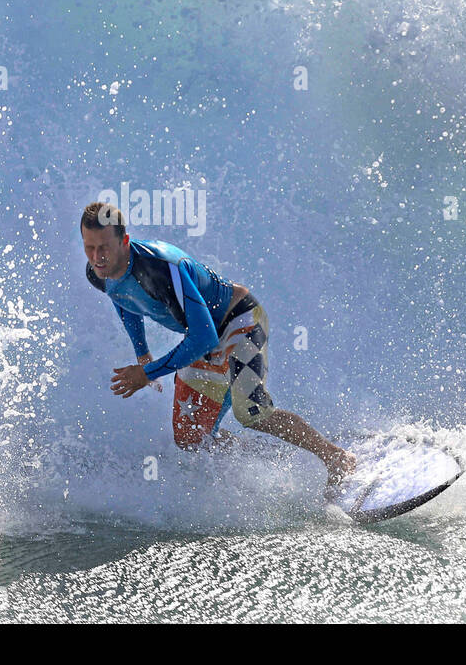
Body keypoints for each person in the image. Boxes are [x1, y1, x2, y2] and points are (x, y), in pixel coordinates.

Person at [80, 201, 356, 497]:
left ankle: (337, 458)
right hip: (202, 337)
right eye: (89, 247)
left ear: (125, 241)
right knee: (190, 436)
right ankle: (267, 456)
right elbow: (123, 298)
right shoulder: (99, 271)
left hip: (239, 322)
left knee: (252, 412)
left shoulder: (160, 268)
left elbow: (204, 338)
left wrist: (147, 372)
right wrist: (141, 351)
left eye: (104, 247)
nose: (97, 257)